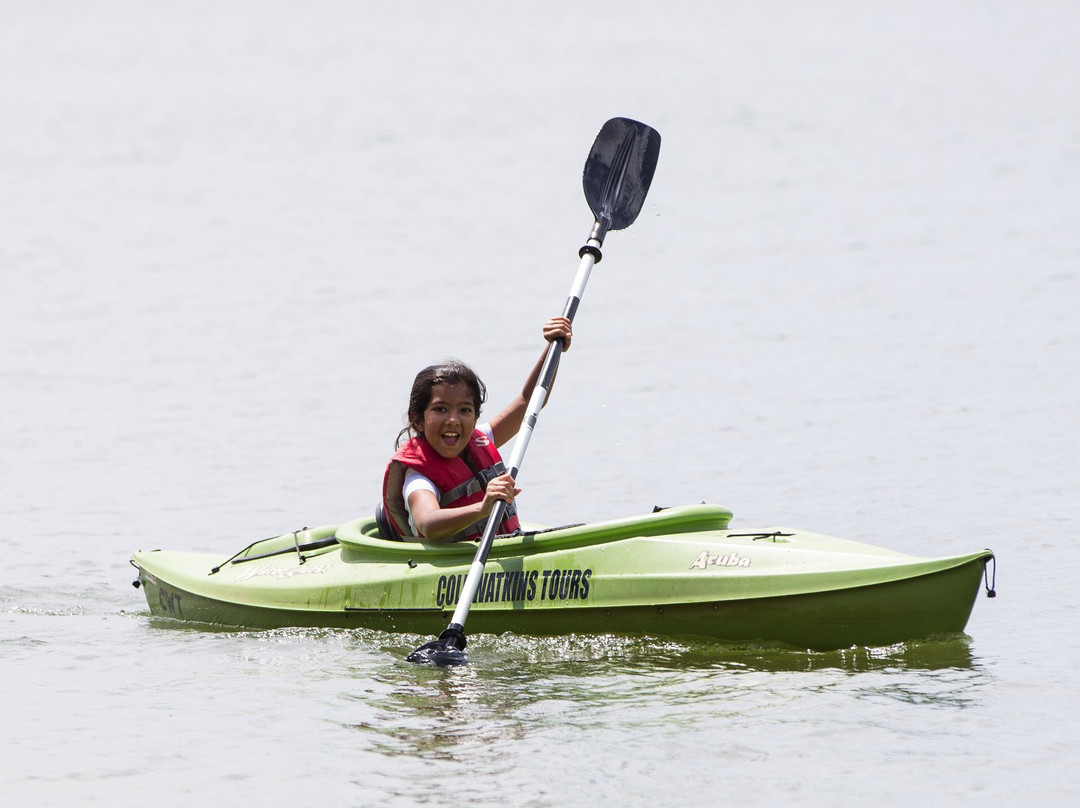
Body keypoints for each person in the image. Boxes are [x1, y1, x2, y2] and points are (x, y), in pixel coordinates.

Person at [381, 317, 573, 542]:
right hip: (454, 568)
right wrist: (482, 508)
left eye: (464, 410)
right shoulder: (418, 476)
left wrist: (553, 347)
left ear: (475, 417)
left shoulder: (480, 439)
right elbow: (428, 522)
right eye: (440, 409)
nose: (453, 420)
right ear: (418, 420)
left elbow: (529, 401)